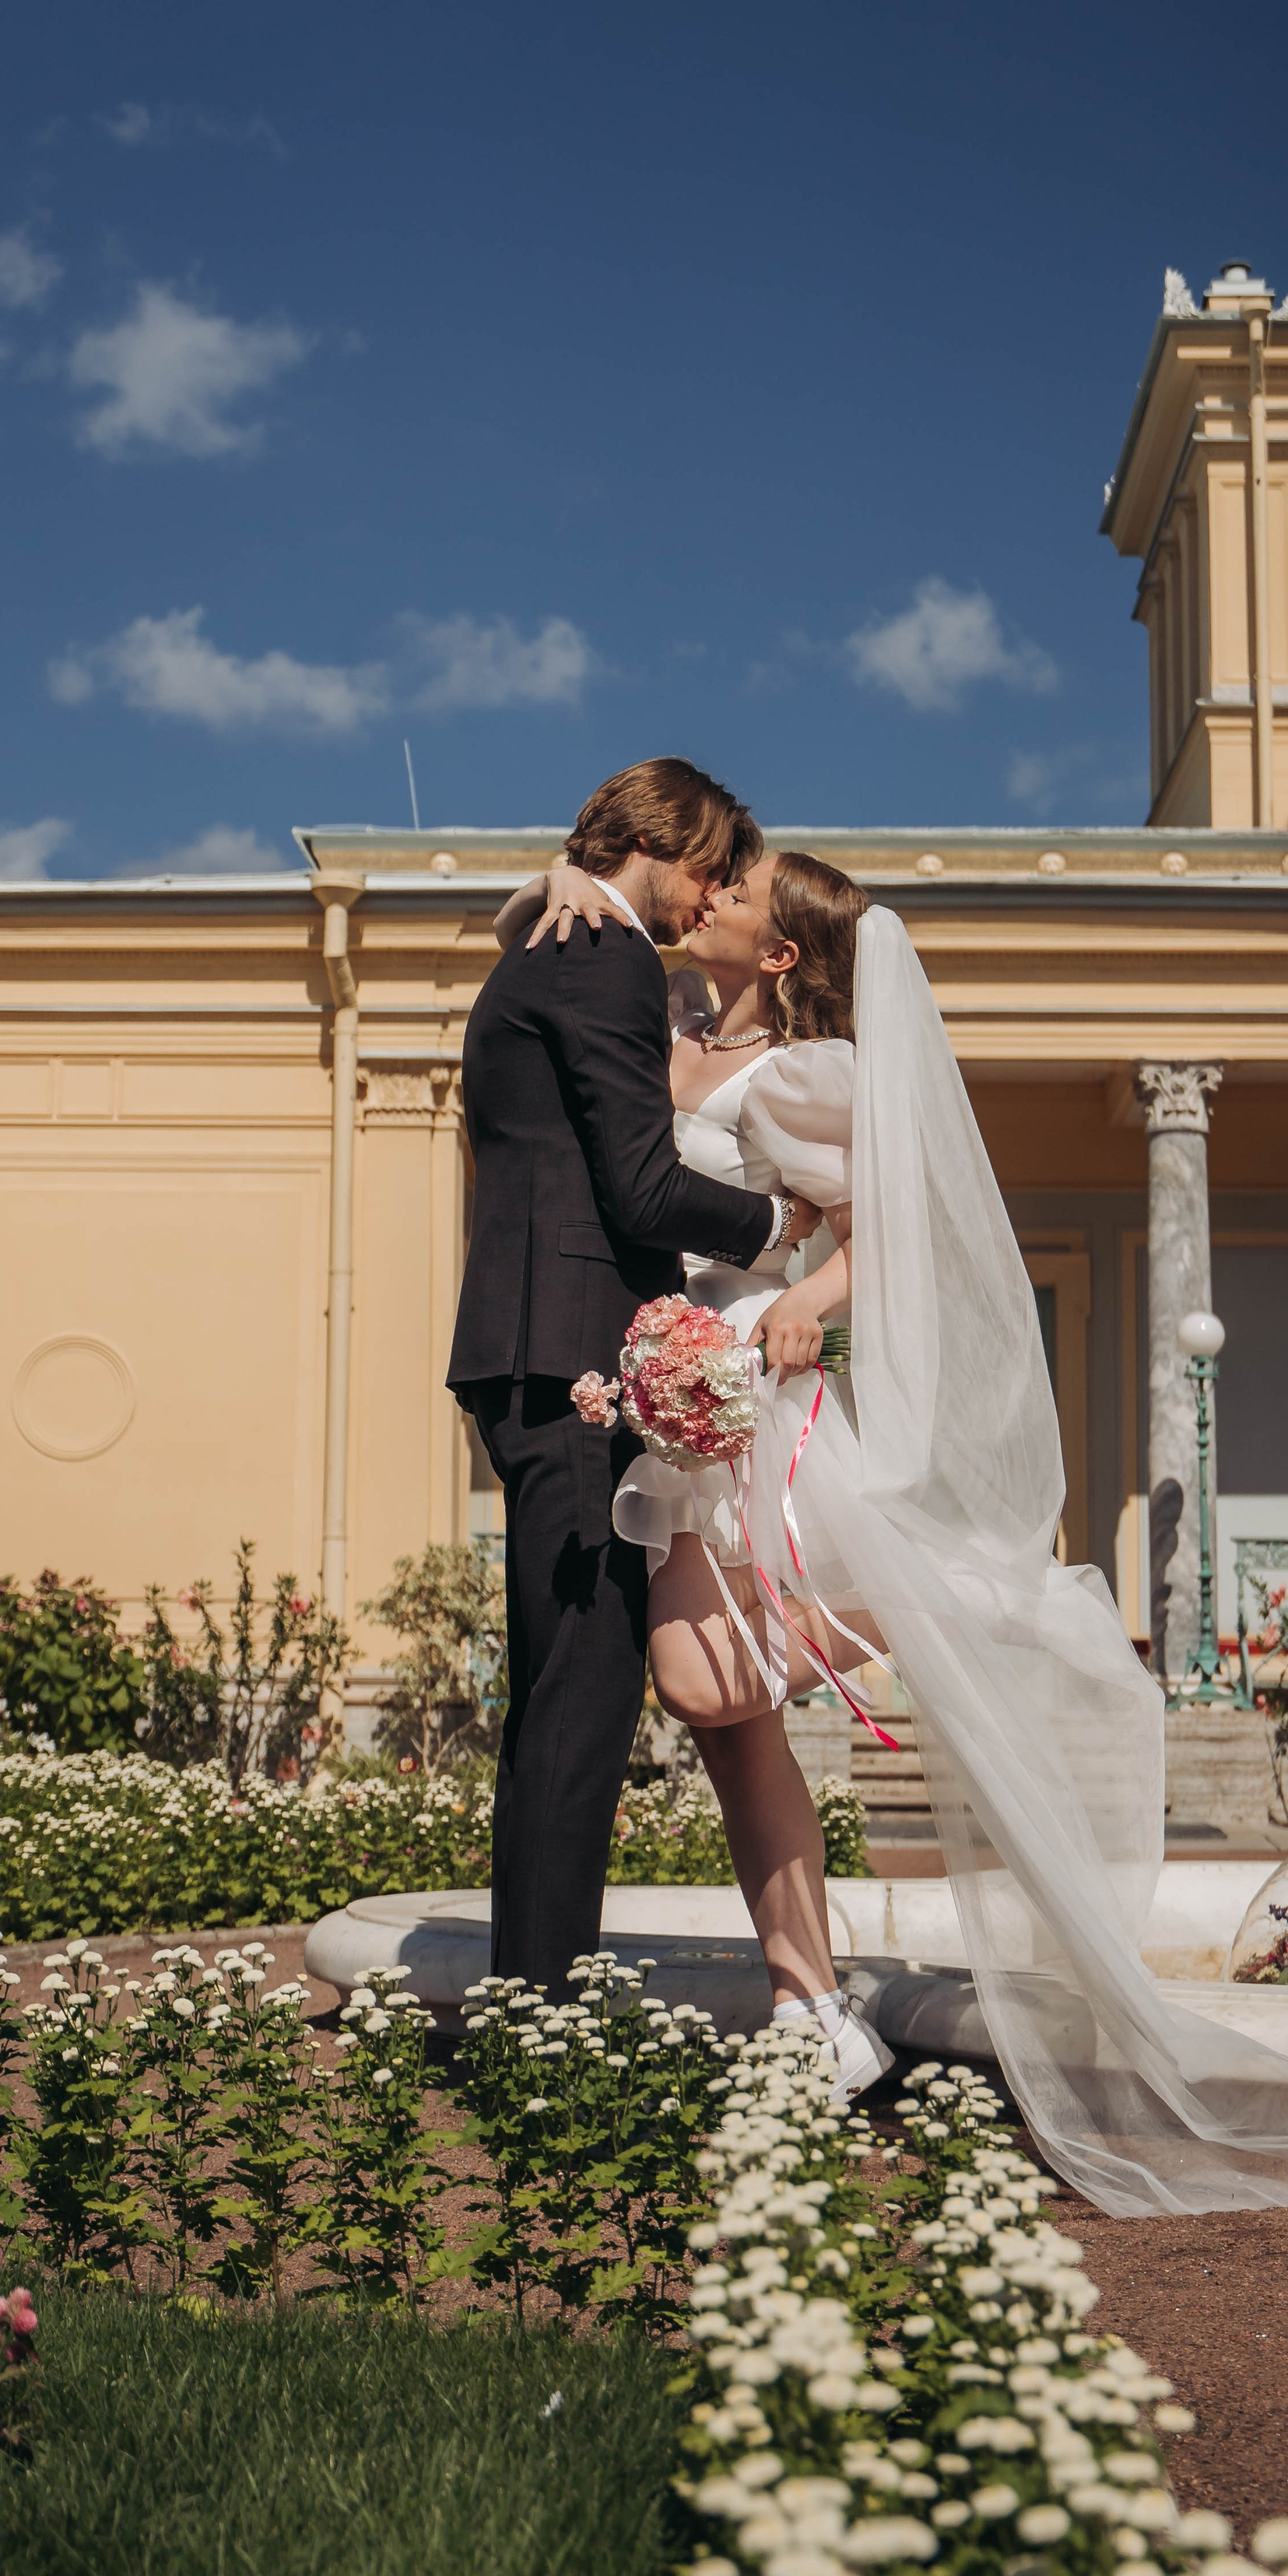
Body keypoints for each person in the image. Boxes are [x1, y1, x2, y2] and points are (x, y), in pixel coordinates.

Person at [501, 847, 1288, 2215]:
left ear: (780, 953)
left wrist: (811, 1301)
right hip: (676, 1399)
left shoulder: (813, 1075)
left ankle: (959, 1596)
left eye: (737, 894)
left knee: (704, 1678)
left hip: (751, 1397)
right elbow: (536, 946)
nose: (706, 897)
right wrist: (557, 870)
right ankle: (816, 2012)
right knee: (733, 1729)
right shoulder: (674, 1028)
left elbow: (894, 1220)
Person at [447, 758, 813, 1995]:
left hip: (521, 1350)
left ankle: (523, 1992)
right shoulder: (605, 960)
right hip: (574, 1359)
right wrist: (782, 1224)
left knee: (556, 1698)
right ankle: (540, 2016)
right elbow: (643, 1189)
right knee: (584, 1708)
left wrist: (551, 881)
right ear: (661, 840)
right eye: (708, 868)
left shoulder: (540, 946)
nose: (708, 898)